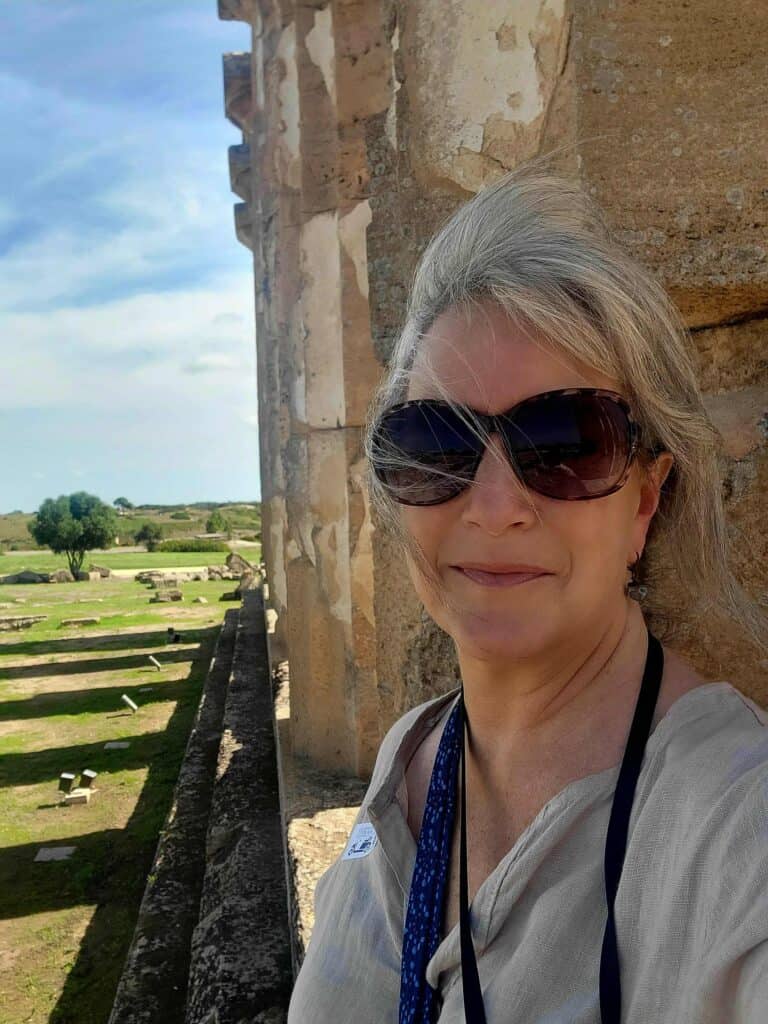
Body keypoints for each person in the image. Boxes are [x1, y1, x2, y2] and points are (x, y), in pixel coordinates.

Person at [287, 164, 768, 1022]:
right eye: (438, 445)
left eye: (565, 442)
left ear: (645, 502)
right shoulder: (416, 751)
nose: (497, 506)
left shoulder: (735, 823)